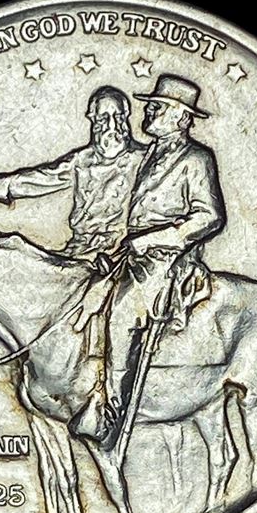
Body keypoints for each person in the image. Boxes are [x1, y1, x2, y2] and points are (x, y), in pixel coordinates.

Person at [70, 75, 227, 450]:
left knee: (123, 313)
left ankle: (111, 411)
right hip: (132, 253)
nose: (149, 111)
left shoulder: (197, 159)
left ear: (181, 117)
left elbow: (209, 217)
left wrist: (153, 239)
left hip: (168, 260)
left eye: (157, 107)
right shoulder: (150, 154)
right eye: (151, 105)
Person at [0, 86, 145, 260]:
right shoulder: (80, 161)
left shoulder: (144, 159)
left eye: (118, 117)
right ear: (92, 120)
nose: (112, 126)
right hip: (77, 253)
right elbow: (30, 182)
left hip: (120, 256)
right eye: (104, 119)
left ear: (127, 117)